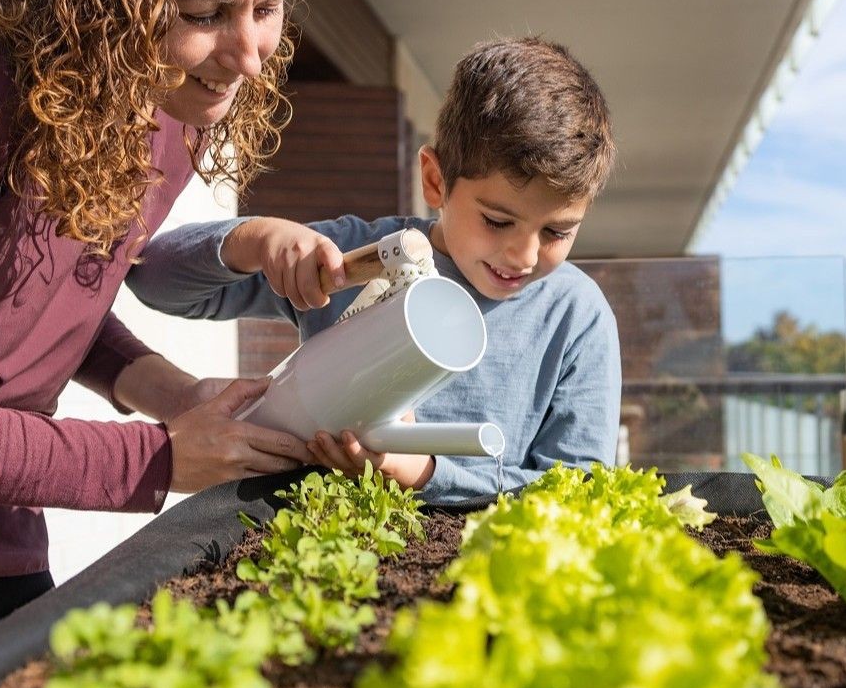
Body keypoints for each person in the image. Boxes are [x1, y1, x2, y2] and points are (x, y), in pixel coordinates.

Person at [0, 0, 338, 680]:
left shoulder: (171, 96)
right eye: (205, 14)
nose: (250, 57)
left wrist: (181, 398)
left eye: (266, 10)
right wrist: (154, 460)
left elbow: (30, 292)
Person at [127, 37, 622, 503]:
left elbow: (580, 493)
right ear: (434, 180)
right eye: (497, 221)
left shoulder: (576, 316)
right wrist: (254, 241)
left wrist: (426, 473)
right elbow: (151, 279)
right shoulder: (362, 255)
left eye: (557, 233)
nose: (525, 256)